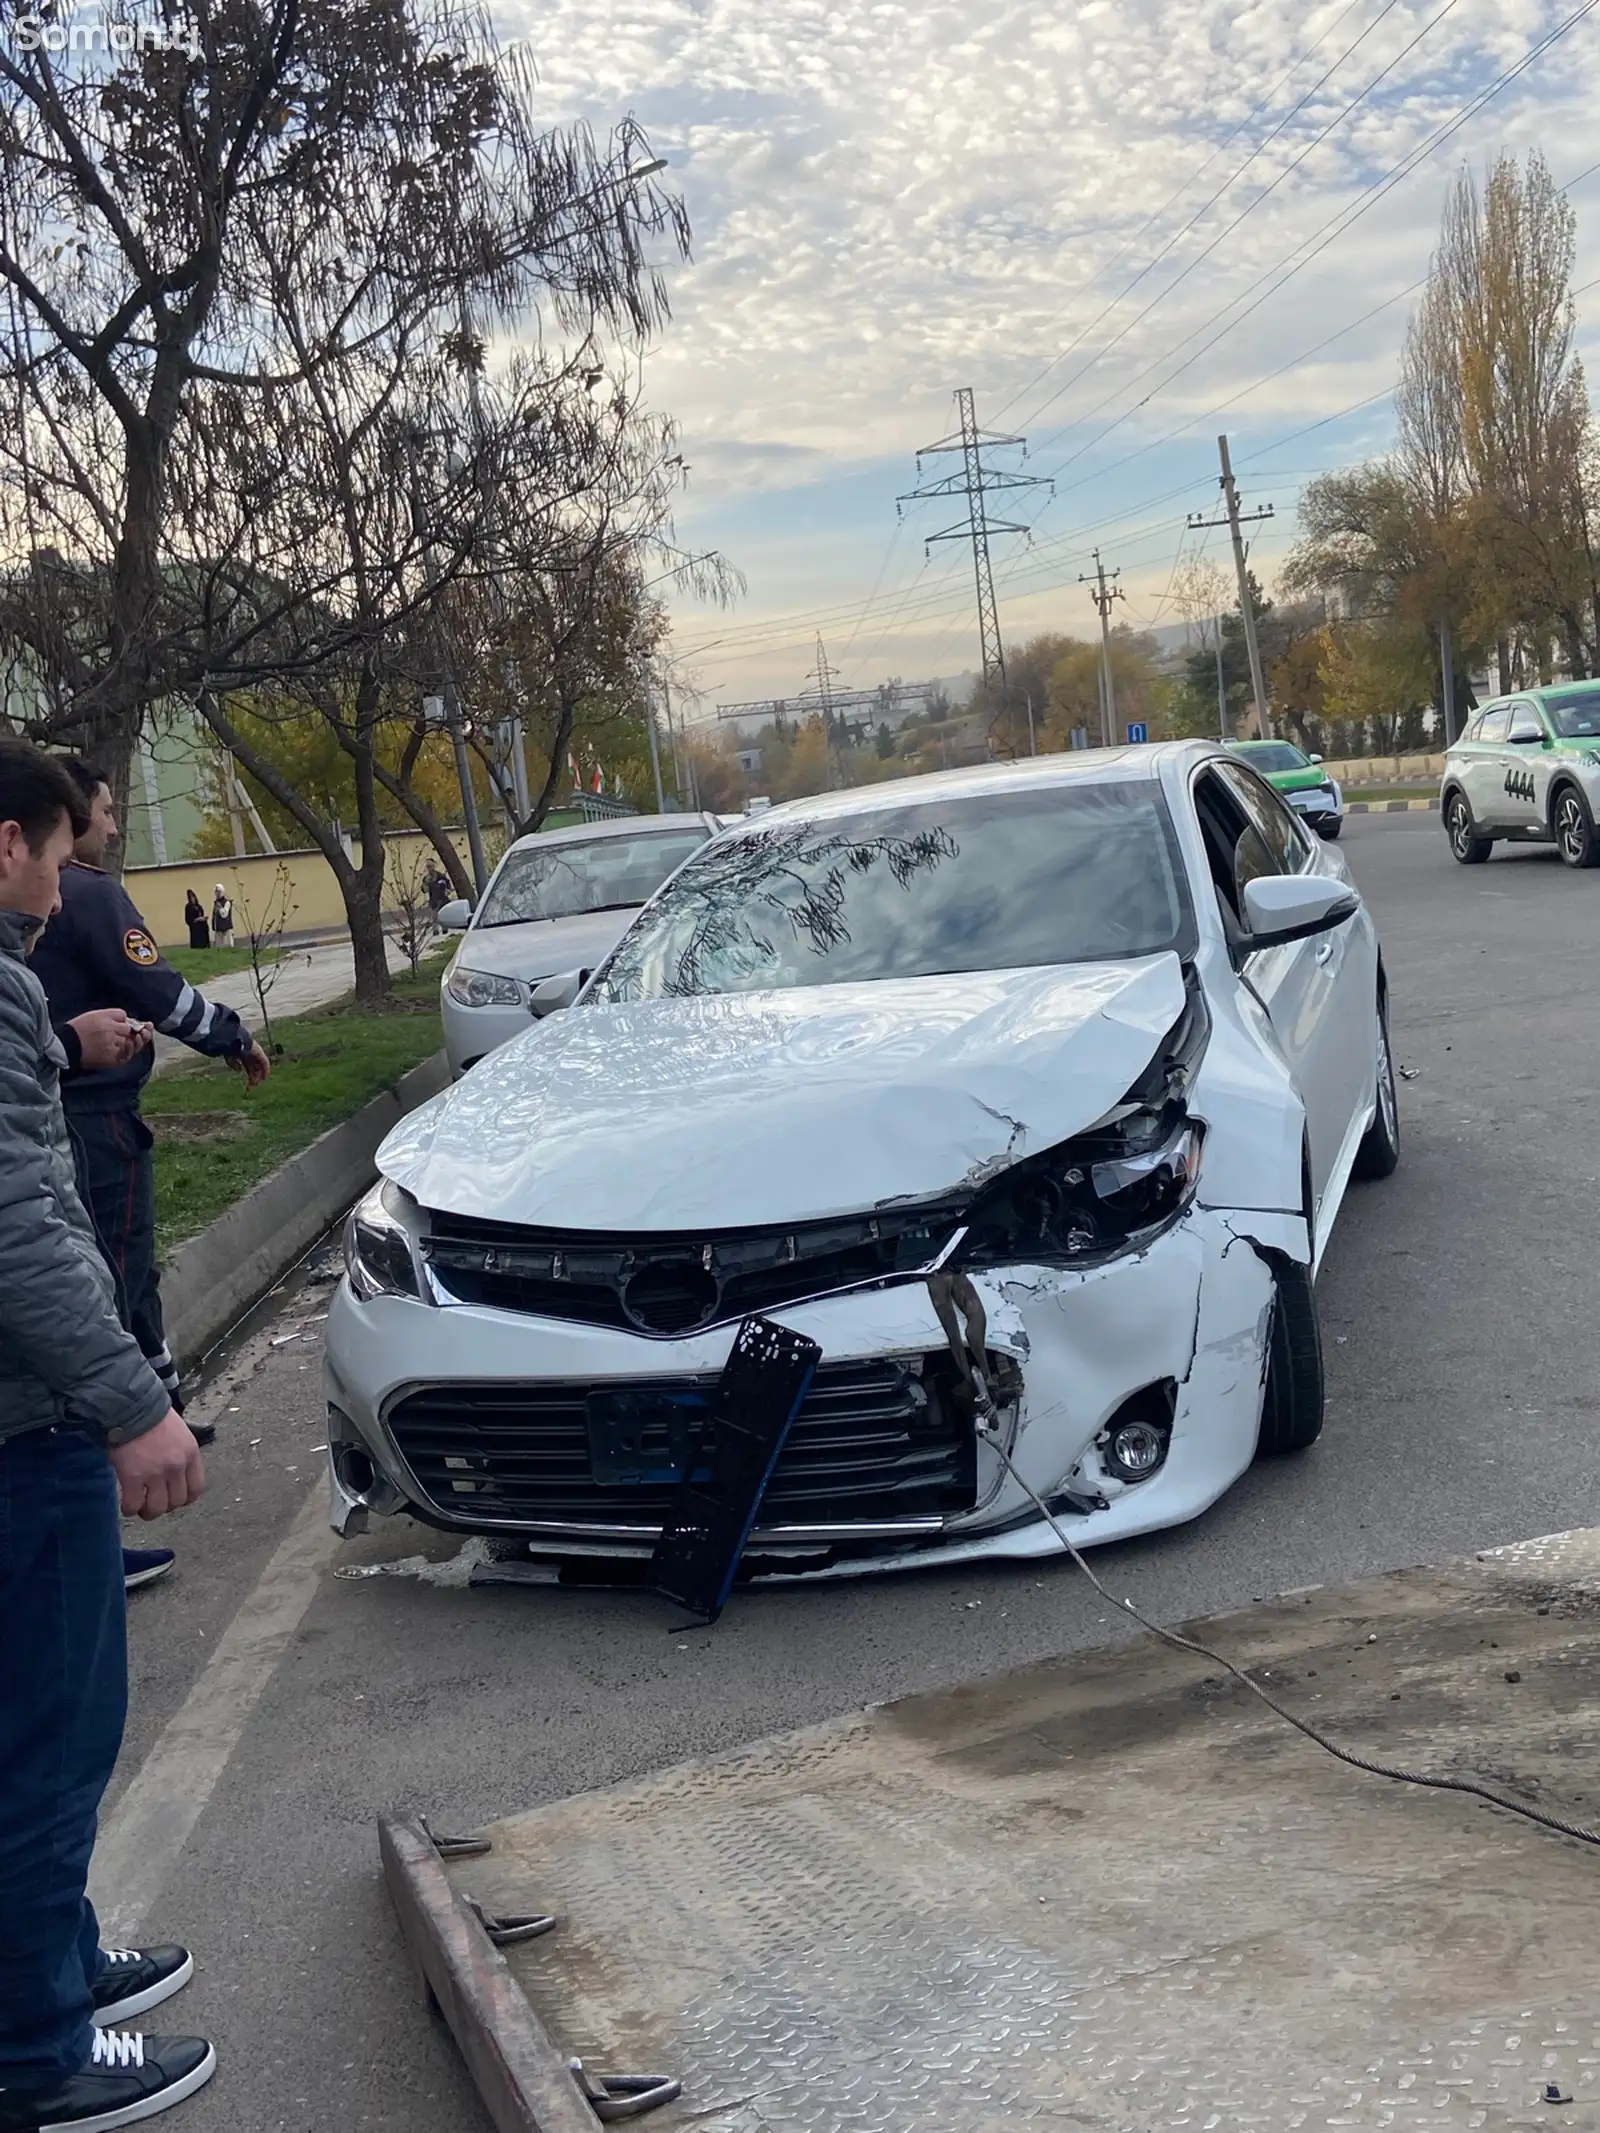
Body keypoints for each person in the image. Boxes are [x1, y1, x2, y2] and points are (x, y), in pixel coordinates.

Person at [0, 736, 216, 2131]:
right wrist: (133, 1400)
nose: (70, 874)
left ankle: (63, 1963)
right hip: (27, 1429)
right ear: (4, 847)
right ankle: (35, 2049)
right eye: (59, 849)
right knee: (53, 1734)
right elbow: (18, 1228)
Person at [30, 761, 271, 1593]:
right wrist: (233, 1036)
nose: (112, 824)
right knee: (112, 1275)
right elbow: (162, 992)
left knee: (122, 1275)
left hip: (75, 1120)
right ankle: (122, 1469)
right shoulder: (92, 897)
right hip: (94, 1125)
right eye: (100, 812)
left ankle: (159, 1406)